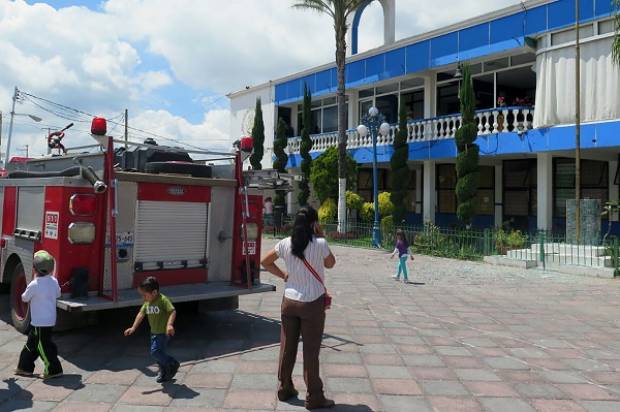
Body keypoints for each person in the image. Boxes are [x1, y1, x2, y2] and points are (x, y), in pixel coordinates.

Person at [261, 207, 336, 410]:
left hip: (290, 302)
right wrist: (320, 235)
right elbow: (331, 264)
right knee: (311, 351)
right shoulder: (320, 244)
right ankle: (314, 396)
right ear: (314, 224)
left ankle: (284, 387)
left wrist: (283, 274)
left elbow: (264, 261)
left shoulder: (285, 243)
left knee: (287, 347)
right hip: (312, 303)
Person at [15, 250, 63, 379]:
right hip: (49, 320)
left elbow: (24, 298)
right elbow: (58, 294)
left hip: (39, 322)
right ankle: (24, 367)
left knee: (43, 346)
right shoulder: (54, 281)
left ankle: (53, 369)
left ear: (35, 269)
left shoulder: (34, 284)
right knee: (32, 343)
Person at [124, 276, 180, 383]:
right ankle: (164, 372)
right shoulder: (147, 303)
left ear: (154, 292)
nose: (143, 298)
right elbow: (141, 314)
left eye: (145, 295)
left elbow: (172, 311)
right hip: (154, 332)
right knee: (160, 353)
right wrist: (133, 327)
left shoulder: (163, 300)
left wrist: (169, 325)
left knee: (155, 352)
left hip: (163, 333)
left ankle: (172, 363)